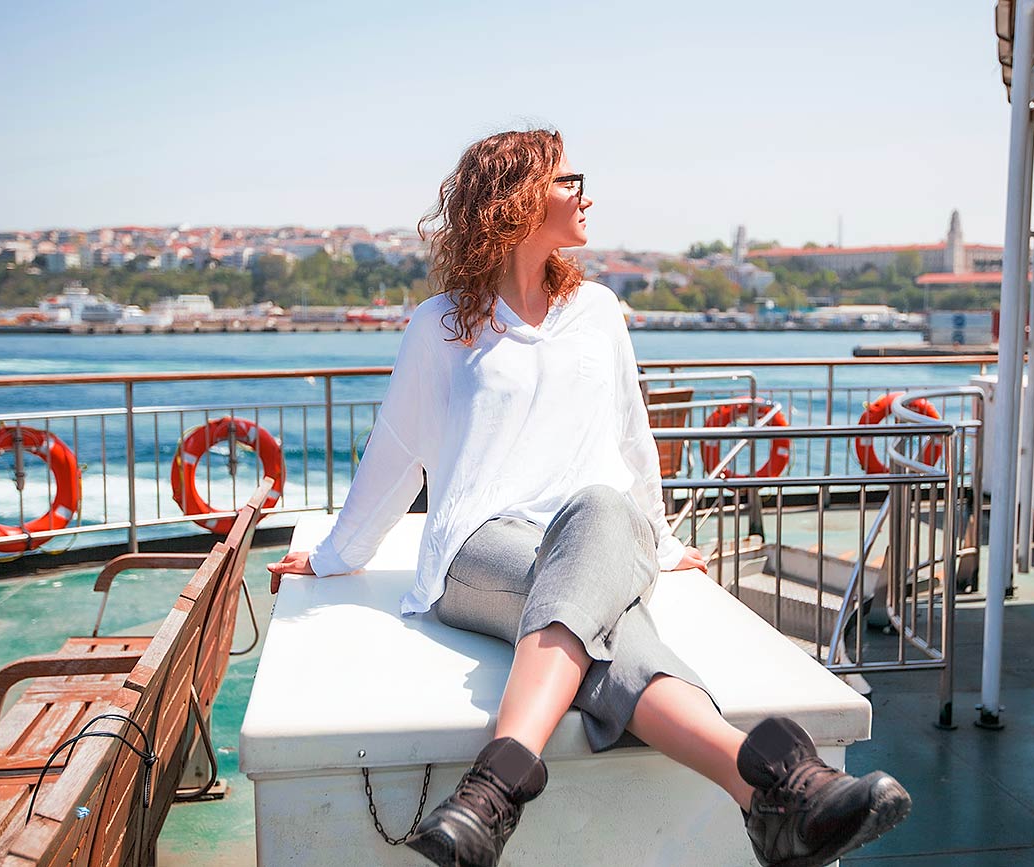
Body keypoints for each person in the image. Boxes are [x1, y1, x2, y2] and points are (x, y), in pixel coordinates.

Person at [267, 129, 911, 867]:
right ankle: (777, 788)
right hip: (481, 545)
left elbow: (633, 441)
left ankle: (494, 789)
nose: (587, 193)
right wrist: (336, 554)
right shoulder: (441, 324)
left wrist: (663, 546)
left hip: (600, 534)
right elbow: (395, 454)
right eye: (570, 179)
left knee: (604, 508)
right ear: (517, 197)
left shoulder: (599, 311)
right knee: (617, 627)